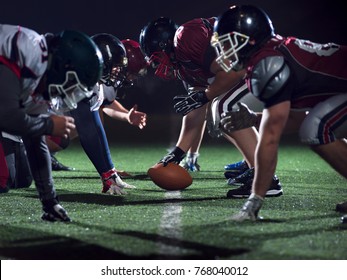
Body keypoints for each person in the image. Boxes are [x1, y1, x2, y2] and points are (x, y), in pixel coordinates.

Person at [212, 4, 347, 223]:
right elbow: (294, 118)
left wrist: (254, 201)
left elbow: (270, 138)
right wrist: (255, 119)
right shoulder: (272, 55)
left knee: (317, 127)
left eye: (229, 43)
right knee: (316, 124)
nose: (224, 51)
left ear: (251, 39)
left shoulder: (268, 65)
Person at [139, 17, 283, 198]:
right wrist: (178, 153)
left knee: (224, 106)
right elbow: (196, 111)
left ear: (166, 43)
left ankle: (266, 179)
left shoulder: (188, 38)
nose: (158, 65)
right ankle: (253, 163)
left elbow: (234, 70)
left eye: (157, 57)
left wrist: (206, 95)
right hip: (252, 69)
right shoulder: (183, 67)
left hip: (266, 63)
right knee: (218, 114)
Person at [0, 24, 103, 221]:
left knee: (16, 177)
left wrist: (50, 201)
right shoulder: (25, 50)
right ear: (63, 67)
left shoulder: (42, 77)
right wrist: (49, 126)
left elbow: (34, 137)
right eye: (73, 85)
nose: (71, 93)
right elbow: (5, 115)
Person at [67, 34, 148, 195]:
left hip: (39, 121)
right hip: (27, 123)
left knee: (22, 179)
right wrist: (106, 174)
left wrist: (109, 171)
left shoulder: (96, 83)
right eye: (116, 67)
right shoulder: (81, 79)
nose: (118, 72)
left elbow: (95, 121)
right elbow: (87, 129)